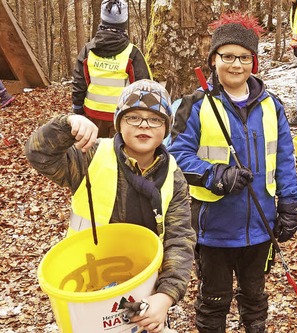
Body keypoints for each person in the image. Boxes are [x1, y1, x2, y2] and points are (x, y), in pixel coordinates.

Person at [25, 79, 195, 333]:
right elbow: (39, 154)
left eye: (155, 119)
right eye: (133, 117)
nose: (144, 125)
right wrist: (66, 125)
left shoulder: (173, 175)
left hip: (143, 290)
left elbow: (179, 239)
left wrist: (166, 296)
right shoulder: (90, 155)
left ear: (166, 127)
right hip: (88, 287)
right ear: (118, 123)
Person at [167, 13, 297, 333]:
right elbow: (176, 155)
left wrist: (290, 203)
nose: (236, 64)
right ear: (214, 59)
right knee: (214, 298)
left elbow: (284, 157)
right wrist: (217, 175)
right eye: (228, 56)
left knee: (255, 296)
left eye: (244, 57)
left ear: (253, 62)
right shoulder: (194, 105)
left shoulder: (272, 105)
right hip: (213, 226)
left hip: (260, 222)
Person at [72, 0, 153, 138]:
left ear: (102, 20)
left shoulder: (88, 50)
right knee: (118, 156)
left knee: (94, 155)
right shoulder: (132, 53)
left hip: (92, 116)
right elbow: (145, 87)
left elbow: (79, 82)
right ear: (124, 22)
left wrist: (77, 108)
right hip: (122, 117)